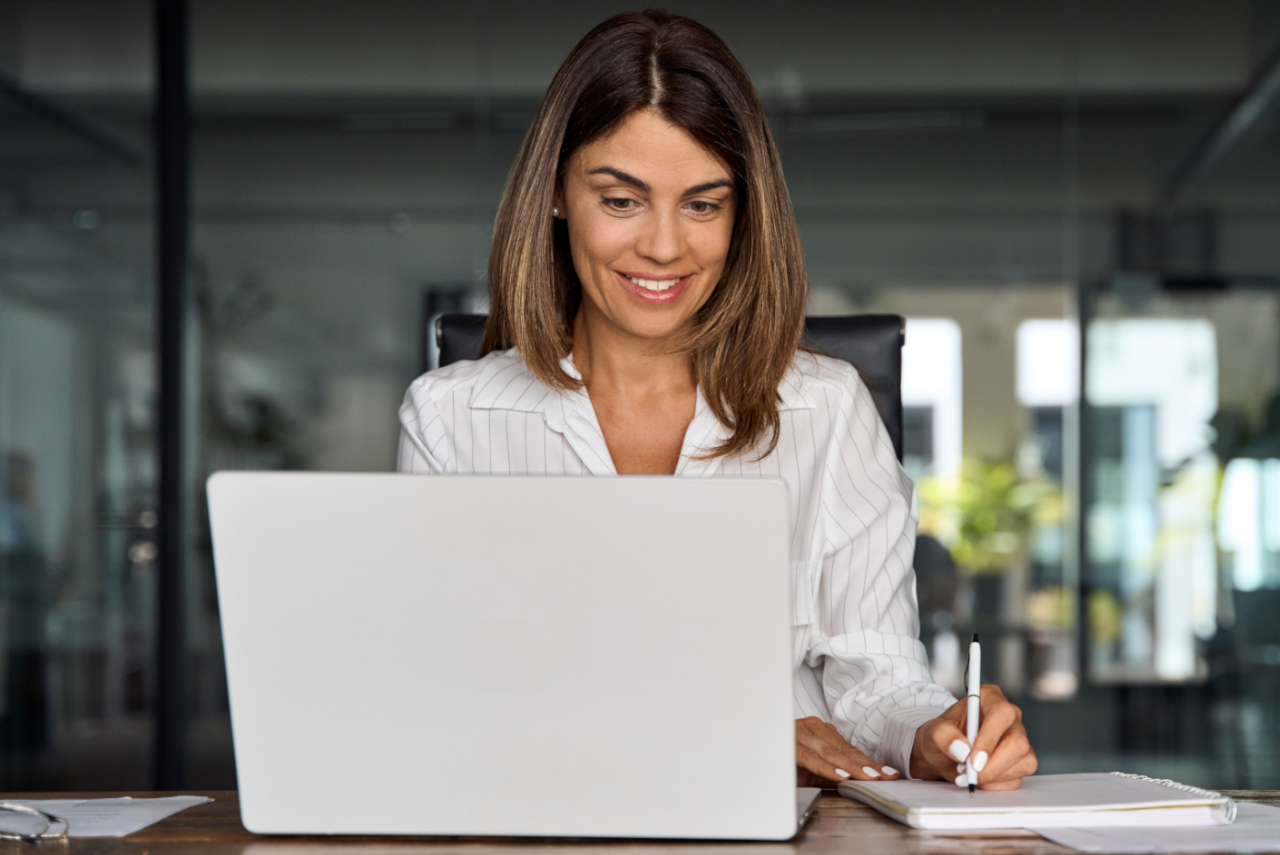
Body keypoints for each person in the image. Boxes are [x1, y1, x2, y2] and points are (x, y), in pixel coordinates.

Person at [398, 9, 1036, 790]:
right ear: (558, 194)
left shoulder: (827, 411)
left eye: (703, 204)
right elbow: (446, 694)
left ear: (742, 212)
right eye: (622, 200)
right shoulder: (451, 421)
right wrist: (725, 735)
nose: (665, 247)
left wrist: (934, 735)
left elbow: (880, 682)